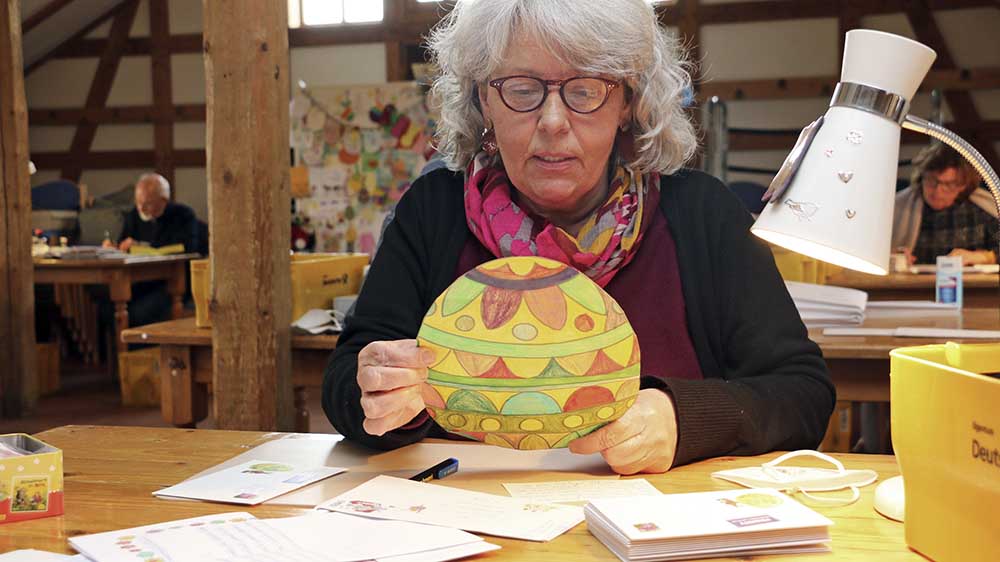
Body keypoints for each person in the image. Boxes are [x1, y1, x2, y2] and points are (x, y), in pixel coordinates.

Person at [323, 0, 834, 474]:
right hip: (468, 522)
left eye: (585, 90)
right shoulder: (433, 212)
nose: (552, 122)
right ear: (484, 101)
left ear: (629, 102)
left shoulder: (702, 214)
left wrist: (684, 418)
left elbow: (802, 392)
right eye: (521, 90)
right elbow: (347, 377)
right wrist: (380, 394)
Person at [102, 173, 200, 328]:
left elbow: (187, 248)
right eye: (138, 202)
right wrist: (114, 248)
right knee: (105, 305)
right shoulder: (134, 215)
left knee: (138, 313)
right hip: (140, 281)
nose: (141, 208)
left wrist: (142, 246)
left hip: (172, 283)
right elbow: (124, 245)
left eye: (147, 204)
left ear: (163, 201)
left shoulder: (183, 215)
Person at [892, 143, 998, 265]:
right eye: (932, 180)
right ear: (922, 177)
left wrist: (983, 257)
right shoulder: (900, 206)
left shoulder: (982, 209)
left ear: (963, 185)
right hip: (913, 283)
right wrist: (894, 256)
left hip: (970, 282)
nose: (938, 191)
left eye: (949, 184)